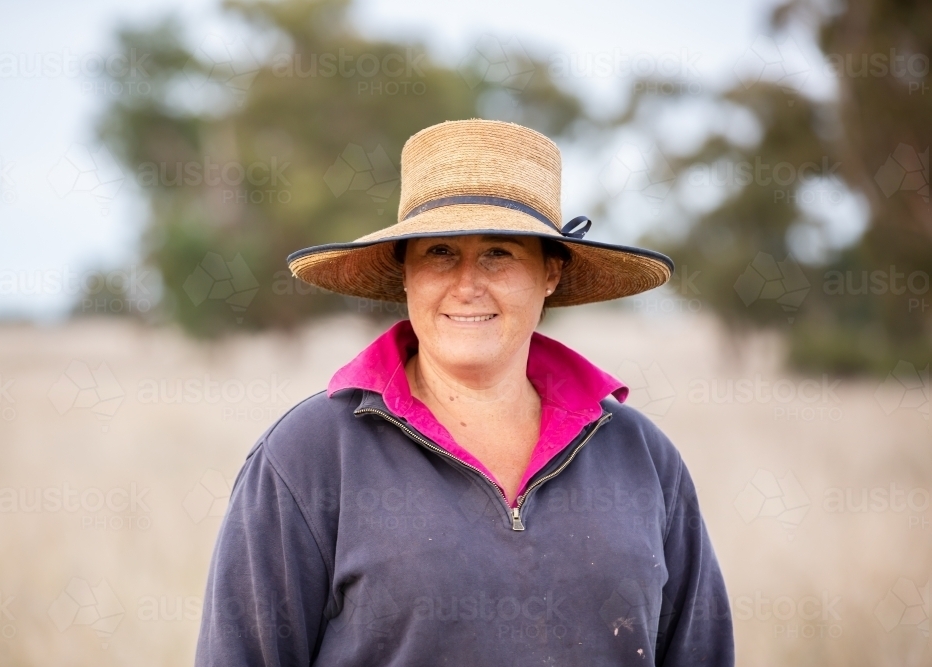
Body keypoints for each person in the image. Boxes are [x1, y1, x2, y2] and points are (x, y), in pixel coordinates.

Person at [195, 119, 734, 666]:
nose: (468, 284)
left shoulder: (641, 456)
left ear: (551, 272)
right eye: (439, 252)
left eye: (499, 252)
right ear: (403, 271)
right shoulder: (306, 457)